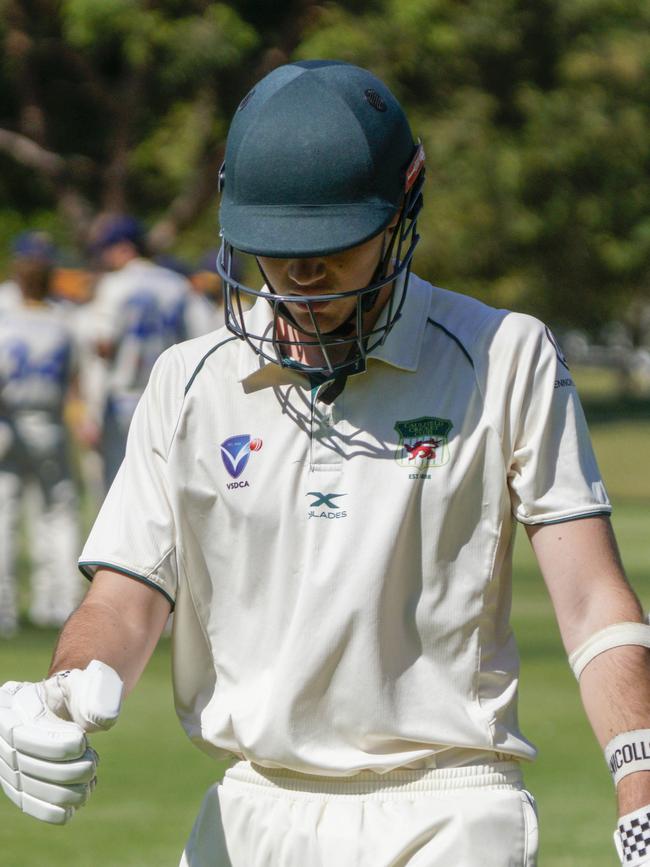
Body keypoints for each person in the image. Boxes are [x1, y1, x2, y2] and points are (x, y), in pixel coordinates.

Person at [1, 60, 649, 867]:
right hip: (251, 807)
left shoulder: (504, 356)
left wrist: (641, 787)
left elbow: (590, 601)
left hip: (448, 807)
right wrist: (61, 691)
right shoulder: (189, 381)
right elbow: (126, 601)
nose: (304, 277)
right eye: (279, 251)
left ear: (400, 212)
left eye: (333, 250)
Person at [0, 231, 84, 636]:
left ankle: (5, 610)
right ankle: (59, 603)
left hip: (9, 419)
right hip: (47, 419)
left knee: (5, 515)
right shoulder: (63, 318)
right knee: (57, 513)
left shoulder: (4, 310)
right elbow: (75, 375)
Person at [84, 214, 191, 489]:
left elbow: (103, 345)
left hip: (125, 399)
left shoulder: (116, 284)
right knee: (164, 484)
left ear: (124, 248)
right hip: (172, 397)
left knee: (120, 485)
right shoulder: (177, 284)